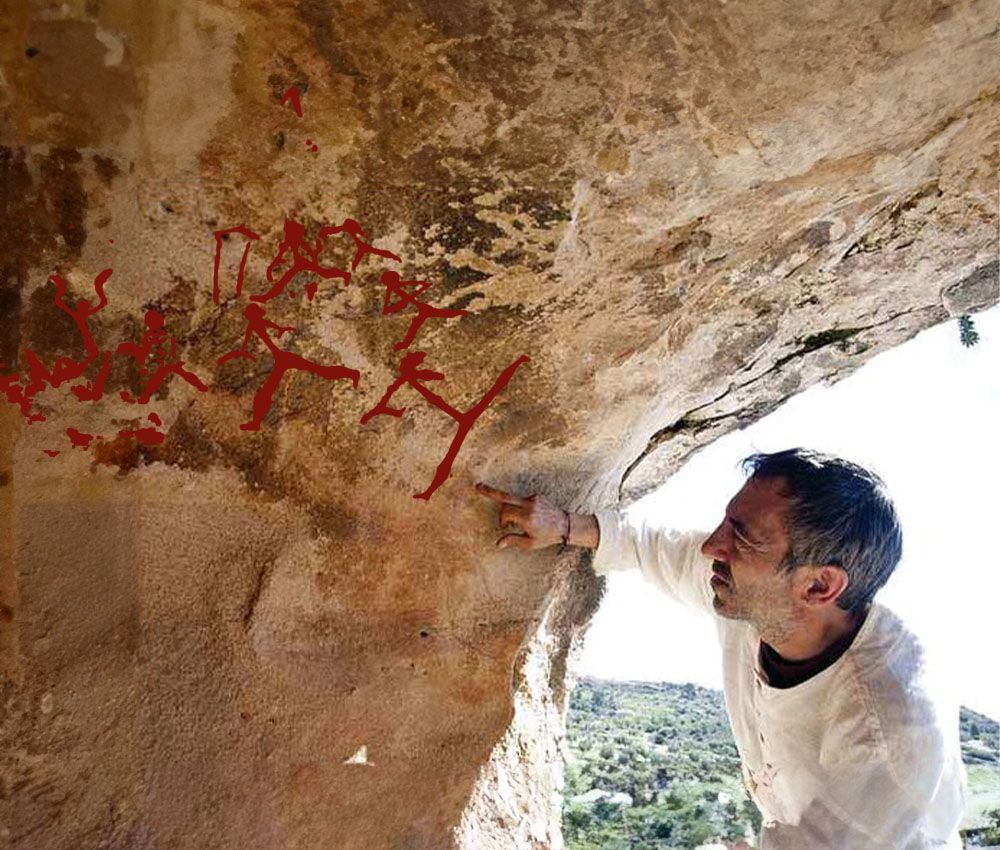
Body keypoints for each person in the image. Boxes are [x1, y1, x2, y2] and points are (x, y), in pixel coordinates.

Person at [474, 448, 967, 849]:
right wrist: (564, 525)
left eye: (743, 536)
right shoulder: (760, 597)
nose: (714, 545)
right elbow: (657, 546)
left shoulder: (889, 732)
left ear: (819, 586)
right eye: (726, 523)